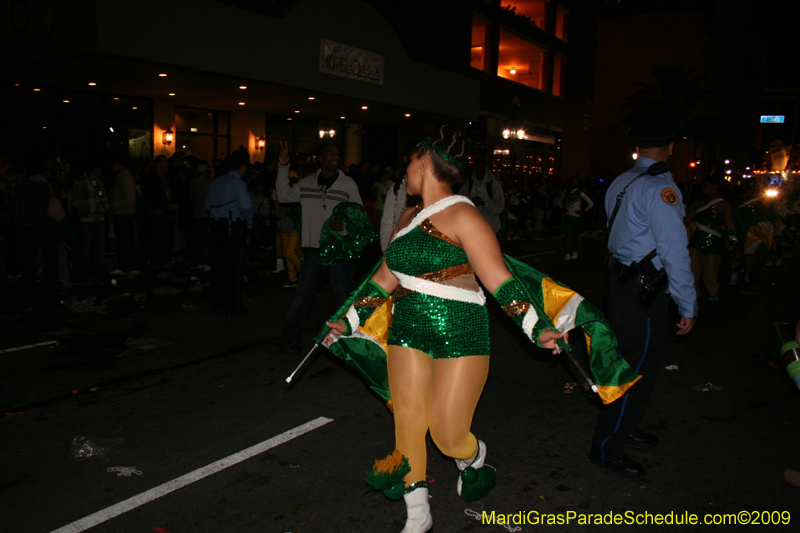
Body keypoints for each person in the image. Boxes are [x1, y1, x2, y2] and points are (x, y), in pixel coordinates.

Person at [325, 125, 565, 533]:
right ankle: (418, 516)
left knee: (447, 435)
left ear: (422, 161)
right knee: (408, 424)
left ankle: (472, 454)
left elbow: (499, 280)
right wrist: (347, 320)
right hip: (408, 330)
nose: (405, 174)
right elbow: (384, 278)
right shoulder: (406, 216)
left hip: (462, 332)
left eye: (408, 165)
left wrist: (536, 327)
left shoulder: (465, 214)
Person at [591, 110, 697, 478]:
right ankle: (608, 446)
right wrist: (688, 303)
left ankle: (625, 424)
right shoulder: (659, 188)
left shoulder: (622, 180)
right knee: (637, 368)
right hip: (643, 291)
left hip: (620, 282)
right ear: (670, 147)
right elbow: (674, 251)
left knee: (626, 359)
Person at [275, 142, 362, 354]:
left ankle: (350, 343)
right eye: (330, 153)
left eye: (337, 152)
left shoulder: (347, 183)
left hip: (337, 251)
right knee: (302, 298)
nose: (335, 156)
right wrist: (283, 167)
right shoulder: (306, 183)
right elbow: (283, 195)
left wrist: (344, 226)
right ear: (320, 159)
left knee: (342, 299)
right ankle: (291, 340)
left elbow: (359, 215)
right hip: (313, 252)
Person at [205, 150, 253, 314]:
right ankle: (234, 307)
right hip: (232, 229)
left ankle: (216, 304)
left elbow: (207, 204)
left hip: (215, 228)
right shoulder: (238, 183)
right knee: (235, 269)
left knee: (218, 268)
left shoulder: (215, 182)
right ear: (243, 166)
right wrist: (250, 221)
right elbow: (245, 206)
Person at [684, 173, 736, 310]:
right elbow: (685, 223)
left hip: (714, 242)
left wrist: (734, 241)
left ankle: (713, 298)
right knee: (693, 271)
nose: (703, 187)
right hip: (696, 240)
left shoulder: (724, 205)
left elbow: (730, 225)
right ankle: (695, 297)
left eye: (707, 185)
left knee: (709, 275)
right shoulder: (697, 203)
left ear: (715, 187)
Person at [72, 158, 109, 278]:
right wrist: (93, 209)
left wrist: (105, 207)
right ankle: (85, 273)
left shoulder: (99, 183)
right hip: (87, 220)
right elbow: (77, 201)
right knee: (85, 248)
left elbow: (103, 196)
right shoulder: (80, 183)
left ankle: (99, 272)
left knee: (99, 248)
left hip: (100, 220)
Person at [459, 155, 505, 233]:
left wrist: (483, 203)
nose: (478, 164)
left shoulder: (493, 184)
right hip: (472, 226)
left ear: (485, 164)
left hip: (490, 227)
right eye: (476, 162)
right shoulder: (468, 183)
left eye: (480, 162)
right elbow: (460, 203)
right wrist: (471, 203)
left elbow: (499, 207)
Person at [109, 155, 138, 275]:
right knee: (125, 241)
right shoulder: (122, 177)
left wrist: (114, 204)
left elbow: (129, 198)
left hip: (124, 214)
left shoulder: (125, 178)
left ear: (117, 164)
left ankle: (125, 266)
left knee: (124, 241)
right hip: (123, 213)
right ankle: (128, 266)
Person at [557, 175, 594, 260]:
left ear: (577, 183)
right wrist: (562, 208)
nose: (572, 183)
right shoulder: (566, 191)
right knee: (567, 235)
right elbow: (559, 200)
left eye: (574, 182)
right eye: (571, 181)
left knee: (575, 236)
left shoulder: (580, 193)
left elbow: (591, 203)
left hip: (576, 217)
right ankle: (567, 253)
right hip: (567, 216)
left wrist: (583, 212)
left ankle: (575, 251)